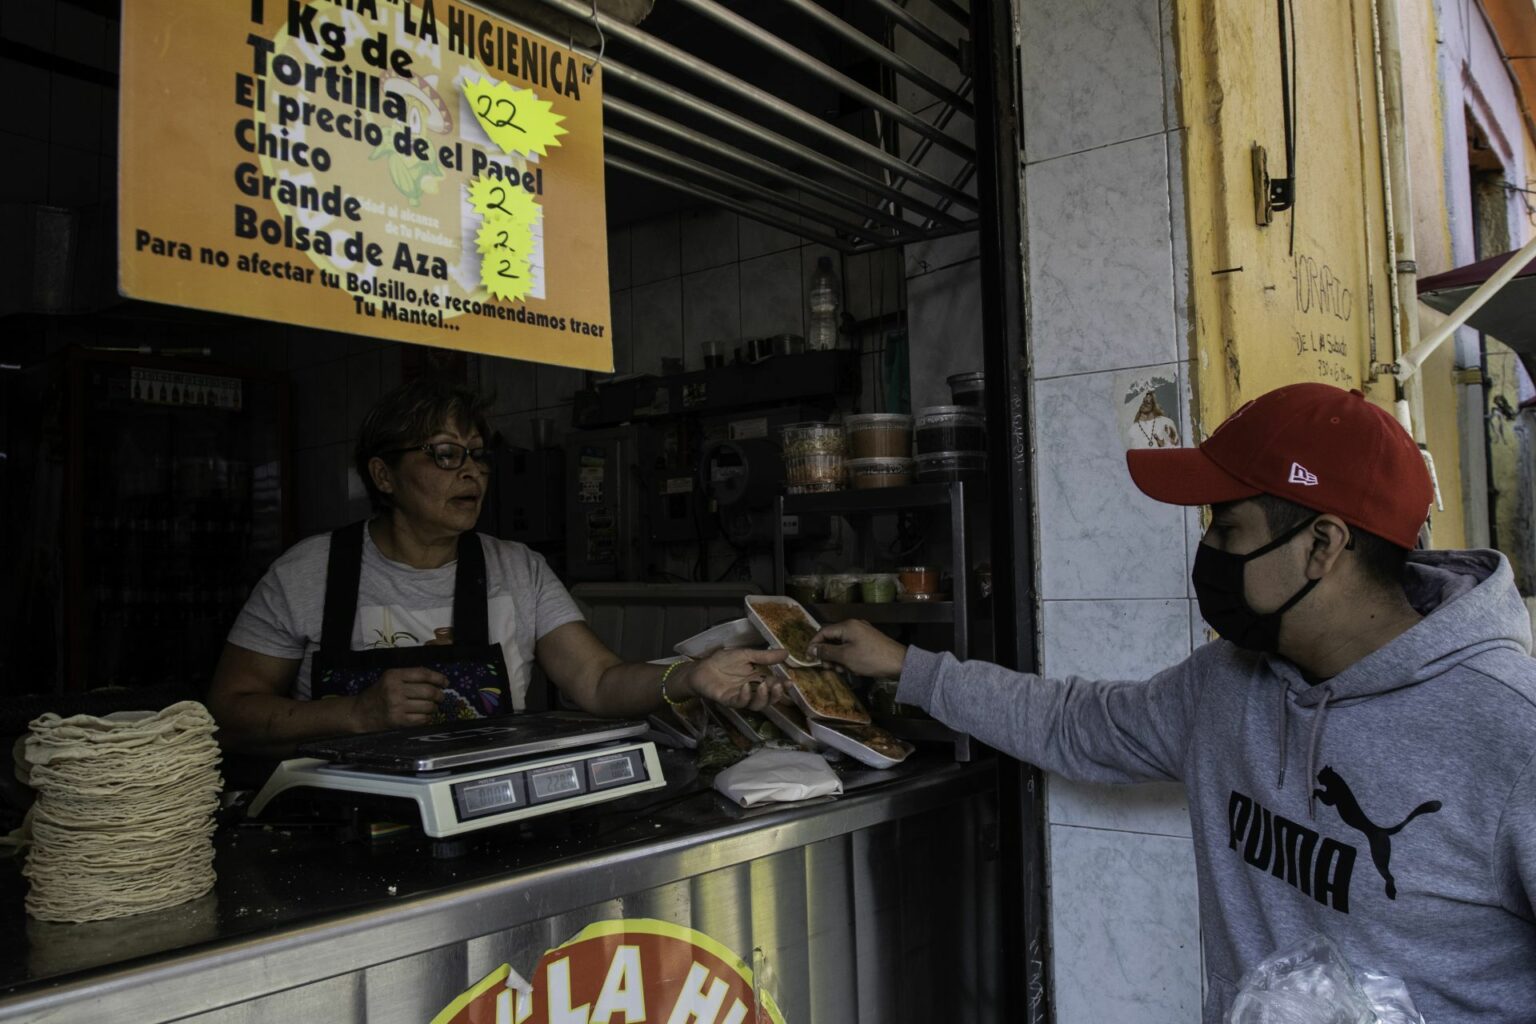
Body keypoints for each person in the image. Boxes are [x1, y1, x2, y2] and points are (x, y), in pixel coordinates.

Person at [810, 382, 1536, 1023]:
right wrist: (908, 667)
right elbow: (1076, 723)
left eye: (1227, 529)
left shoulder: (1509, 734)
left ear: (1323, 546)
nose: (1209, 554)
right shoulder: (1226, 682)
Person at [209, 376, 784, 760]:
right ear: (383, 475)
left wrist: (687, 676)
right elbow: (230, 712)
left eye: (477, 454)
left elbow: (600, 683)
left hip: (485, 822)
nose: (472, 473)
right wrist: (353, 714)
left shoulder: (517, 570)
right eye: (444, 454)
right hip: (343, 835)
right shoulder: (307, 573)